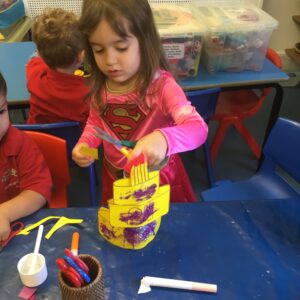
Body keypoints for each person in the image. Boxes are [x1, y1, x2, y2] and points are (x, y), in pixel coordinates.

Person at [72, 0, 208, 204]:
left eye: (121, 47)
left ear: (144, 41)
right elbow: (96, 124)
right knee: (122, 228)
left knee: (164, 230)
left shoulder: (162, 87)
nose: (110, 60)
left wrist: (164, 139)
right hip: (115, 178)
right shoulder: (100, 87)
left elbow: (198, 129)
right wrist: (86, 146)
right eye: (99, 50)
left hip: (157, 179)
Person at [0, 72, 52, 242]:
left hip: (20, 225)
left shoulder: (19, 142)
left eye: (1, 111)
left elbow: (39, 190)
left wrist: (4, 213)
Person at [26, 8, 90, 127]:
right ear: (81, 56)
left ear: (41, 54)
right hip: (75, 143)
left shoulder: (34, 73)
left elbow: (35, 59)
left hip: (40, 139)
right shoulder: (88, 92)